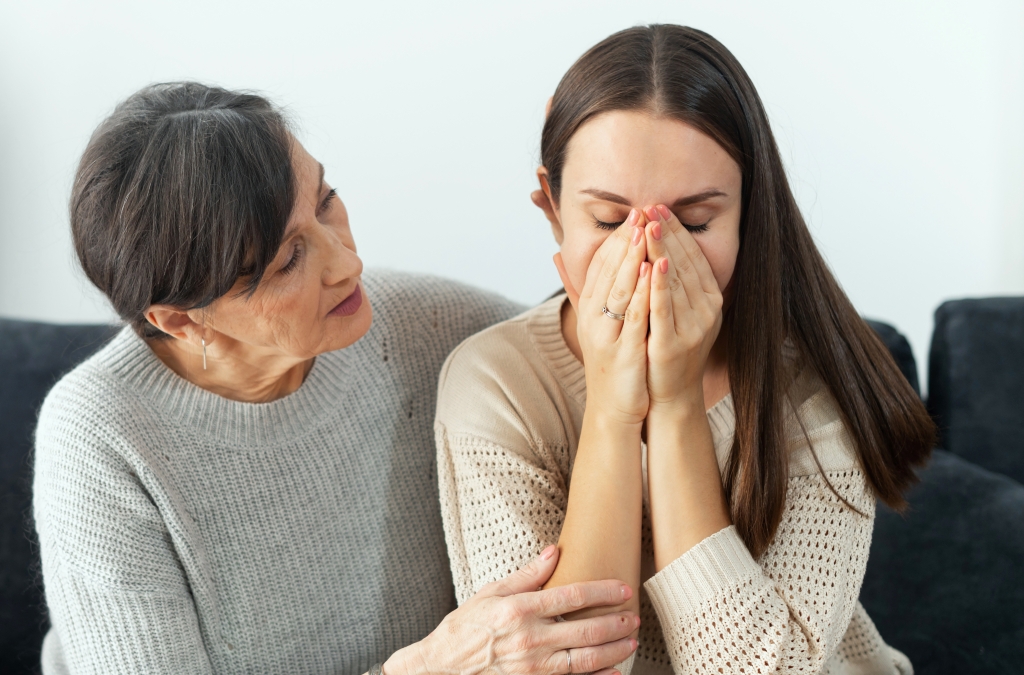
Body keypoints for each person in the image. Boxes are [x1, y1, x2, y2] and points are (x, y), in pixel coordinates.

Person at [32, 82, 641, 675]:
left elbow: (592, 346)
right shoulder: (98, 441)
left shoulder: (423, 324)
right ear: (181, 322)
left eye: (326, 201)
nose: (348, 263)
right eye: (289, 260)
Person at [435, 25, 935, 675]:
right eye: (610, 221)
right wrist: (615, 410)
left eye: (694, 222)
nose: (650, 255)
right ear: (553, 208)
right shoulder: (495, 383)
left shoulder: (817, 388)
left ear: (749, 215)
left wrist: (673, 405)